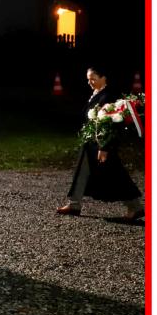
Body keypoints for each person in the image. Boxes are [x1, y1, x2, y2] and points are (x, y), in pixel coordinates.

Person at [57, 66, 144, 221]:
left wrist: (104, 147)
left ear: (104, 78)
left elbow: (110, 123)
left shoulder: (108, 96)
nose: (89, 82)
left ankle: (135, 207)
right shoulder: (97, 93)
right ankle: (74, 204)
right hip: (91, 143)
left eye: (93, 79)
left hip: (102, 144)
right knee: (82, 170)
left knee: (115, 174)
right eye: (88, 79)